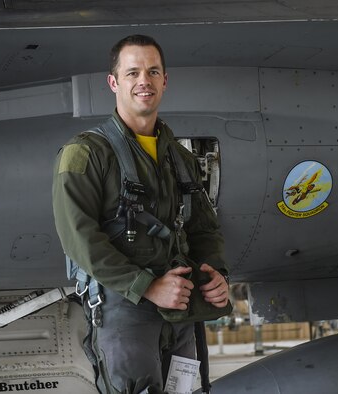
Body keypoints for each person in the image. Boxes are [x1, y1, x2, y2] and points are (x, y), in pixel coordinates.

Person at [52, 35, 230, 394]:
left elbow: (203, 229)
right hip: (125, 308)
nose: (143, 81)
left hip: (180, 304)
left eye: (152, 71)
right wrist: (147, 286)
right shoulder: (85, 153)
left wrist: (217, 275)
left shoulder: (180, 160)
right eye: (132, 72)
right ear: (114, 82)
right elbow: (79, 239)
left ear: (165, 80)